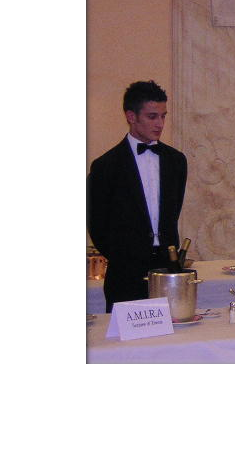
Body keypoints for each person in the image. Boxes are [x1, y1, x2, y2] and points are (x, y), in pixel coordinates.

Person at [87, 80, 188, 312]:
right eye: (152, 116)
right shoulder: (105, 166)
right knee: (125, 334)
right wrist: (124, 255)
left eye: (163, 116)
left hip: (167, 270)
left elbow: (173, 213)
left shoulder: (176, 161)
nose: (160, 123)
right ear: (131, 116)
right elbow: (97, 224)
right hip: (125, 273)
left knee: (171, 332)